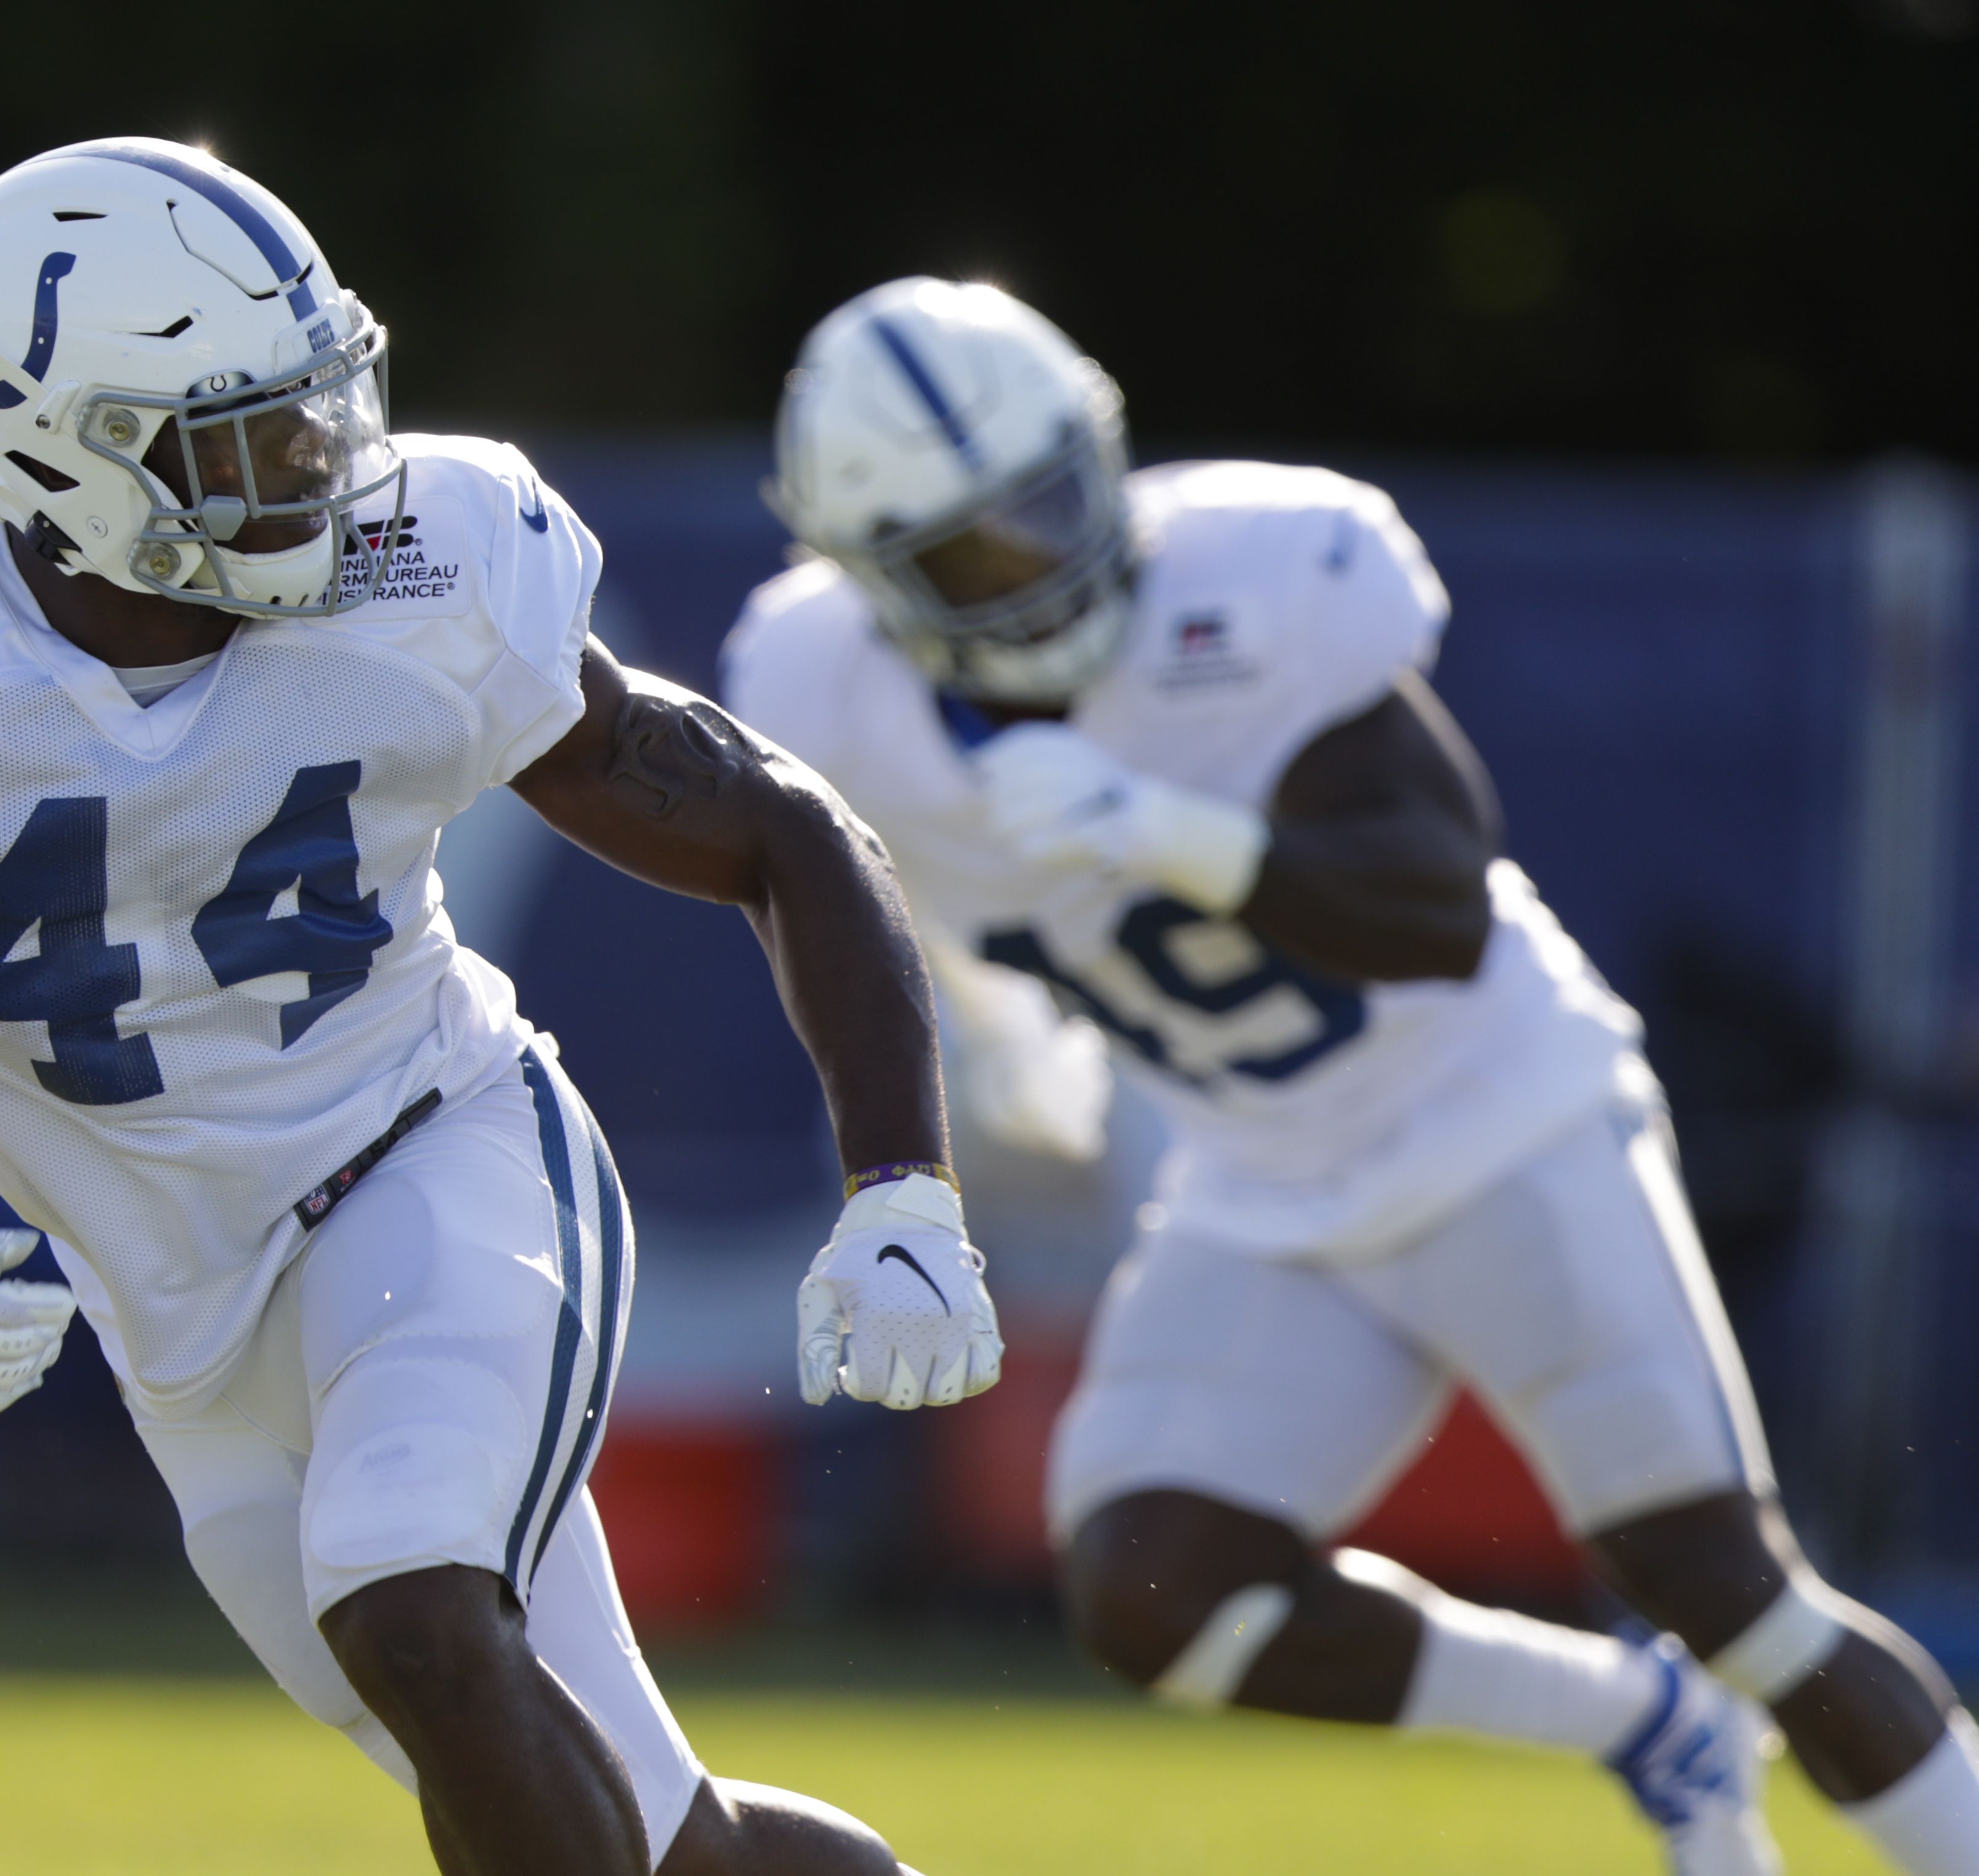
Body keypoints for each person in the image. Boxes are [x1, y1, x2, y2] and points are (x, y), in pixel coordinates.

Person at [0, 141, 1005, 1876]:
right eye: (249, 436)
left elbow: (774, 827)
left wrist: (900, 1184)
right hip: (179, 1320)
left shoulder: (428, 559)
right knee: (652, 1838)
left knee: (410, 1607)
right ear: (58, 459)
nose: (325, 469)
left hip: (433, 1153)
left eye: (323, 405)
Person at [720, 275, 1979, 1876]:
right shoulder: (824, 682)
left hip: (1500, 1119)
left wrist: (1172, 832)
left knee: (1724, 1584)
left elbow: (1433, 902)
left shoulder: (1256, 582)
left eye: (1051, 501)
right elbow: (859, 896)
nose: (1040, 560)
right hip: (1263, 1178)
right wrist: (989, 1028)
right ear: (877, 576)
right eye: (977, 547)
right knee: (1148, 1585)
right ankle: (1628, 1719)